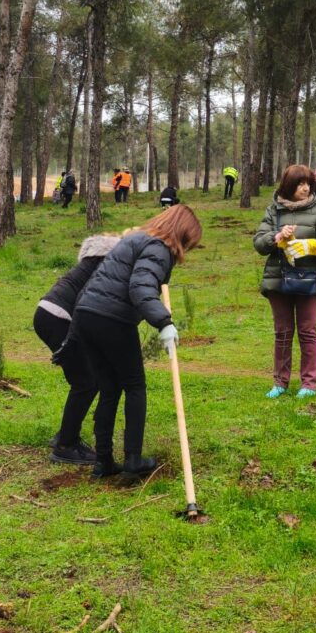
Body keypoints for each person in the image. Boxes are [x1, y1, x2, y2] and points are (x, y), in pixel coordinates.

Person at [73, 204, 202, 479]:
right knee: (134, 386)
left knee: (109, 389)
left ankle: (103, 462)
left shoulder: (134, 238)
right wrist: (164, 323)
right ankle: (133, 459)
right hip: (112, 320)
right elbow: (140, 287)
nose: (186, 250)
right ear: (181, 234)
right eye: (189, 242)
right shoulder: (158, 247)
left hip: (87, 315)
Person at [35, 234, 120, 464]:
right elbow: (88, 300)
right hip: (59, 316)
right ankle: (65, 445)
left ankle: (65, 435)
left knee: (86, 379)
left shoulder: (93, 260)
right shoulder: (107, 263)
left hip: (47, 310)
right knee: (86, 381)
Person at [253, 164, 316, 400]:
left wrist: (311, 246)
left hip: (310, 281)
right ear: (288, 185)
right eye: (300, 183)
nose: (306, 187)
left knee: (308, 331)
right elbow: (259, 243)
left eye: (308, 183)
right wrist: (276, 237)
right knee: (282, 332)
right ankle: (280, 382)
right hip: (278, 279)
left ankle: (308, 384)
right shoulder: (273, 210)